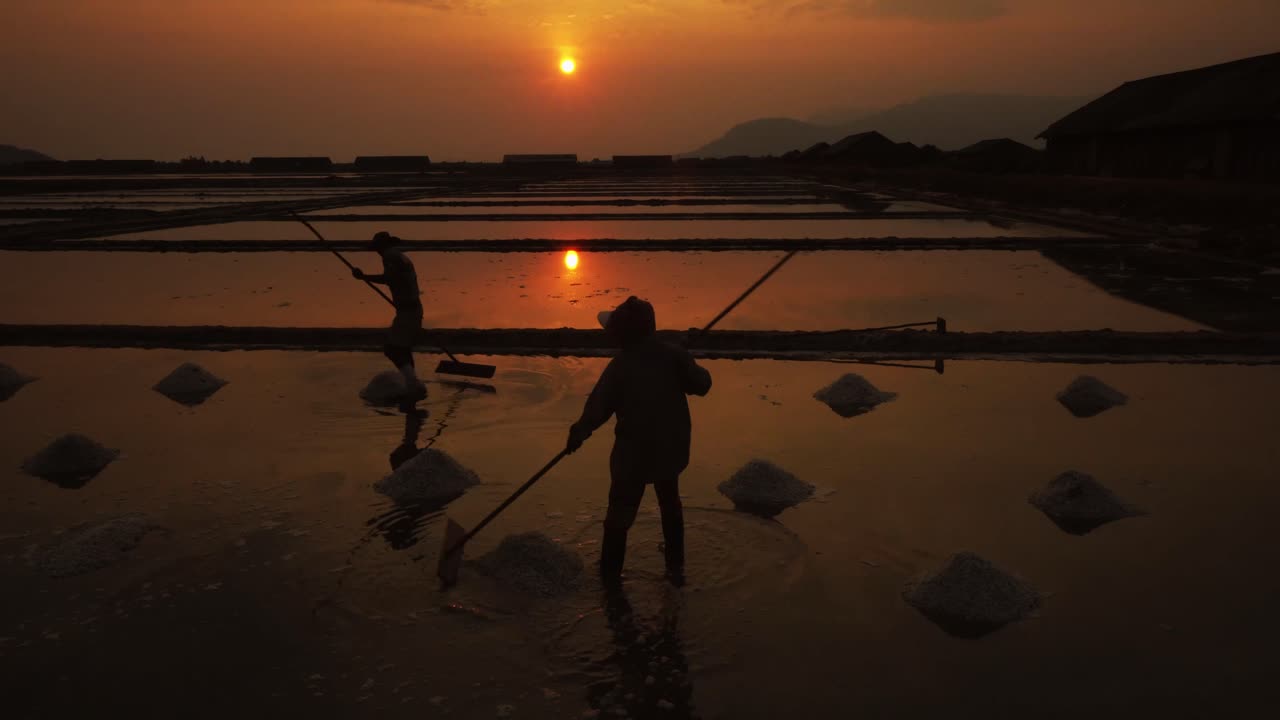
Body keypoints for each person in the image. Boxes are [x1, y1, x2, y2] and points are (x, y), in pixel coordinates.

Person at [566, 296, 712, 586]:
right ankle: (675, 563)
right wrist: (685, 359)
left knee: (619, 516)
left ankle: (610, 576)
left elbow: (597, 408)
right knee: (670, 502)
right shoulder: (672, 356)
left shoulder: (620, 366)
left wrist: (578, 433)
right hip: (670, 446)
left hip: (634, 455)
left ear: (622, 335)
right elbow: (702, 384)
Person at [352, 231, 427, 402]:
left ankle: (412, 383)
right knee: (404, 348)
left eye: (377, 248)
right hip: (410, 308)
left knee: (393, 349)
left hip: (408, 311)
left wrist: (364, 277)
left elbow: (389, 279)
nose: (377, 251)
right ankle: (411, 383)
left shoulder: (390, 257)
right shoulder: (399, 256)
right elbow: (397, 280)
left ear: (382, 246)